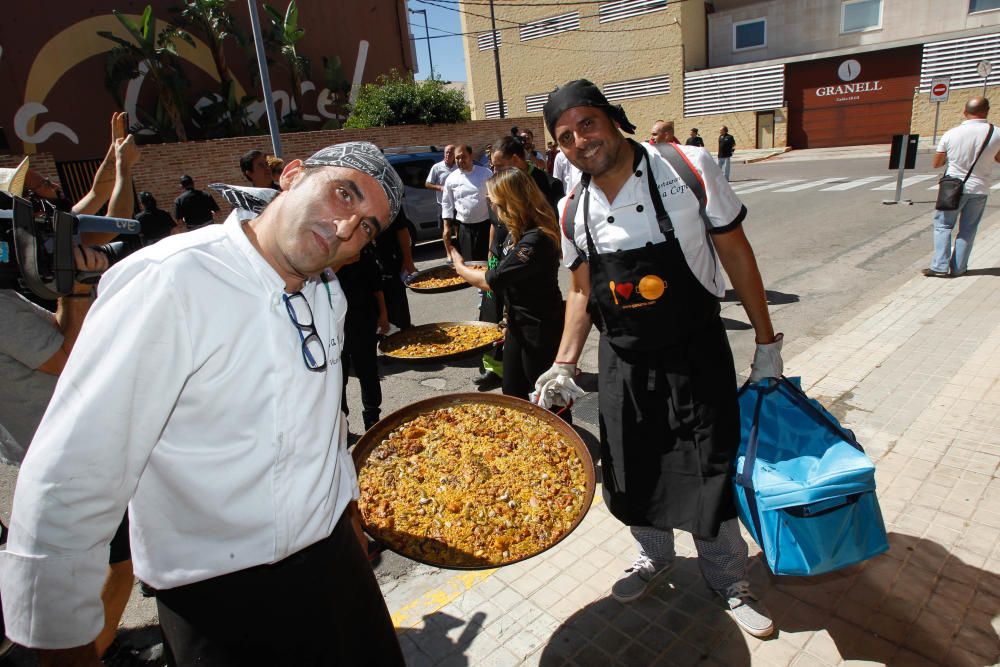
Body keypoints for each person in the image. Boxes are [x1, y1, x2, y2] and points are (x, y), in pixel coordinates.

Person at [0, 141, 407, 666]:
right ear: (292, 175)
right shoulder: (171, 281)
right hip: (218, 602)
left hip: (333, 569)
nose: (348, 228)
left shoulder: (328, 290)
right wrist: (61, 643)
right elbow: (74, 471)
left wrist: (348, 519)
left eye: (369, 226)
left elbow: (327, 424)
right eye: (343, 194)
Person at [536, 79, 783, 639]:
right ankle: (655, 558)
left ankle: (727, 580)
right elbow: (580, 291)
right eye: (565, 135)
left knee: (709, 470)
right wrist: (565, 364)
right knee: (631, 469)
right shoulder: (573, 205)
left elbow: (737, 255)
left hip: (695, 353)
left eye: (587, 124)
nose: (580, 141)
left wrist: (767, 344)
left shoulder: (687, 168)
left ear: (612, 118)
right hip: (623, 360)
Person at [0, 116, 146, 664]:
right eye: (18, 198)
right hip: (64, 454)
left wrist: (117, 161)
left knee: (104, 564)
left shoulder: (16, 271)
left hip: (66, 443)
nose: (32, 204)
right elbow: (65, 354)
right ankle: (93, 650)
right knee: (116, 567)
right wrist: (79, 286)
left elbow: (97, 213)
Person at [450, 168, 566, 406]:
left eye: (494, 201)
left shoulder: (536, 238)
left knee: (546, 397)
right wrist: (505, 319)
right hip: (516, 324)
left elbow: (494, 280)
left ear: (510, 201)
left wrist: (460, 267)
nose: (491, 205)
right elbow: (510, 280)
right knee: (513, 391)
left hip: (539, 328)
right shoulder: (514, 232)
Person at [924, 96, 1000, 278]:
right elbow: (998, 158)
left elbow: (937, 163)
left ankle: (939, 267)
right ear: (987, 111)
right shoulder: (996, 133)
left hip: (952, 188)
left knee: (943, 226)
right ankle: (959, 268)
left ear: (965, 113)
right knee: (968, 229)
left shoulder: (951, 134)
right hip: (980, 189)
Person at [337, 245, 390, 432]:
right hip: (335, 324)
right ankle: (342, 425)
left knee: (368, 372)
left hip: (363, 319)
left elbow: (376, 285)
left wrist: (383, 315)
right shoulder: (325, 252)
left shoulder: (364, 249)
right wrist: (340, 260)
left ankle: (372, 419)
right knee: (338, 378)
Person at [490, 135, 565, 217]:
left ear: (515, 159)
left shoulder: (551, 186)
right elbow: (495, 224)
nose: (495, 172)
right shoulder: (498, 184)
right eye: (493, 166)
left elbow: (555, 223)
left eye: (499, 166)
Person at [441, 144, 492, 261]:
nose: (460, 160)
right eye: (457, 158)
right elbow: (447, 204)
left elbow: (495, 197)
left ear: (471, 156)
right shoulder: (451, 178)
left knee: (486, 260)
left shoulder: (486, 173)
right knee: (468, 261)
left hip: (485, 225)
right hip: (464, 227)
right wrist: (446, 227)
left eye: (463, 157)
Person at [373, 206, 418, 330]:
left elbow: (402, 229)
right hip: (364, 265)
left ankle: (403, 333)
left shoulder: (390, 198)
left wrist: (408, 260)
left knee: (397, 309)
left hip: (389, 262)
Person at [424, 144, 457, 231]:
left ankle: (459, 244)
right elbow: (427, 184)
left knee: (459, 229)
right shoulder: (437, 167)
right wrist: (440, 188)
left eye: (450, 153)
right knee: (446, 230)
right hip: (443, 204)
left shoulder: (459, 167)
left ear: (455, 154)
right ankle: (447, 245)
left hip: (458, 203)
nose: (448, 155)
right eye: (446, 152)